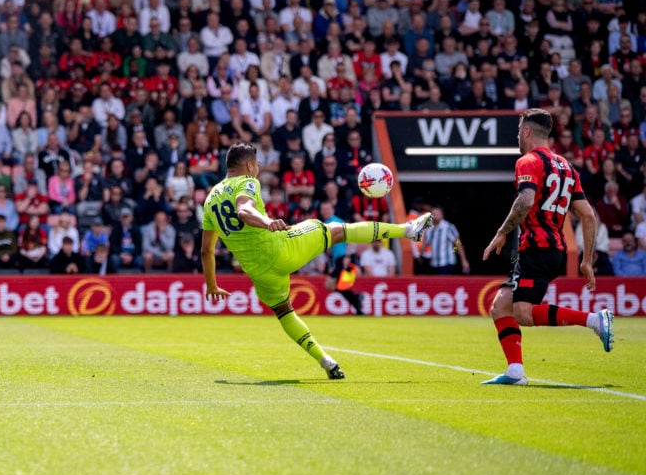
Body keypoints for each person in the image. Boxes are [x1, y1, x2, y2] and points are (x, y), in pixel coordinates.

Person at [202, 143, 433, 380]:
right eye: (257, 164)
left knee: (284, 312)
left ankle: (325, 360)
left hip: (260, 273)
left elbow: (206, 251)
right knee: (336, 230)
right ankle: (408, 229)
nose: (258, 168)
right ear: (250, 165)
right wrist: (266, 221)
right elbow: (244, 210)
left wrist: (211, 284)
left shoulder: (209, 200)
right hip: (282, 250)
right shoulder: (247, 182)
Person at [481, 109, 615, 386]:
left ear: (527, 132)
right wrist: (587, 260)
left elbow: (525, 201)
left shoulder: (528, 162)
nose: (518, 137)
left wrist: (501, 232)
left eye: (519, 132)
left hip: (537, 248)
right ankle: (515, 371)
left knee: (524, 314)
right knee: (500, 306)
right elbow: (588, 216)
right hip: (554, 248)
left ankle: (594, 320)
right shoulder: (567, 167)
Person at [422, 205, 470, 274]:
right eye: (433, 214)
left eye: (437, 214)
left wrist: (463, 260)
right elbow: (424, 246)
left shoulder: (449, 227)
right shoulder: (429, 229)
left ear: (442, 215)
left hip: (447, 262)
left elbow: (458, 243)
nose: (435, 216)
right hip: (433, 263)